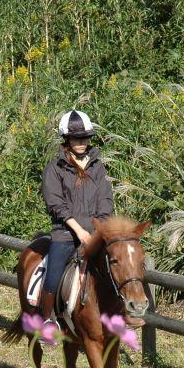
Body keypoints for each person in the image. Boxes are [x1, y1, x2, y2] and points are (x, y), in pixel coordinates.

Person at [39, 109, 114, 327]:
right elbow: (56, 204)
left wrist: (97, 230)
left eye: (85, 137)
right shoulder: (55, 168)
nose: (81, 141)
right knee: (53, 272)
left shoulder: (98, 167)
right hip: (65, 233)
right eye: (76, 137)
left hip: (94, 232)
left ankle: (120, 313)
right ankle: (46, 319)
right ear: (67, 139)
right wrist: (79, 232)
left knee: (118, 265)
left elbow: (105, 200)